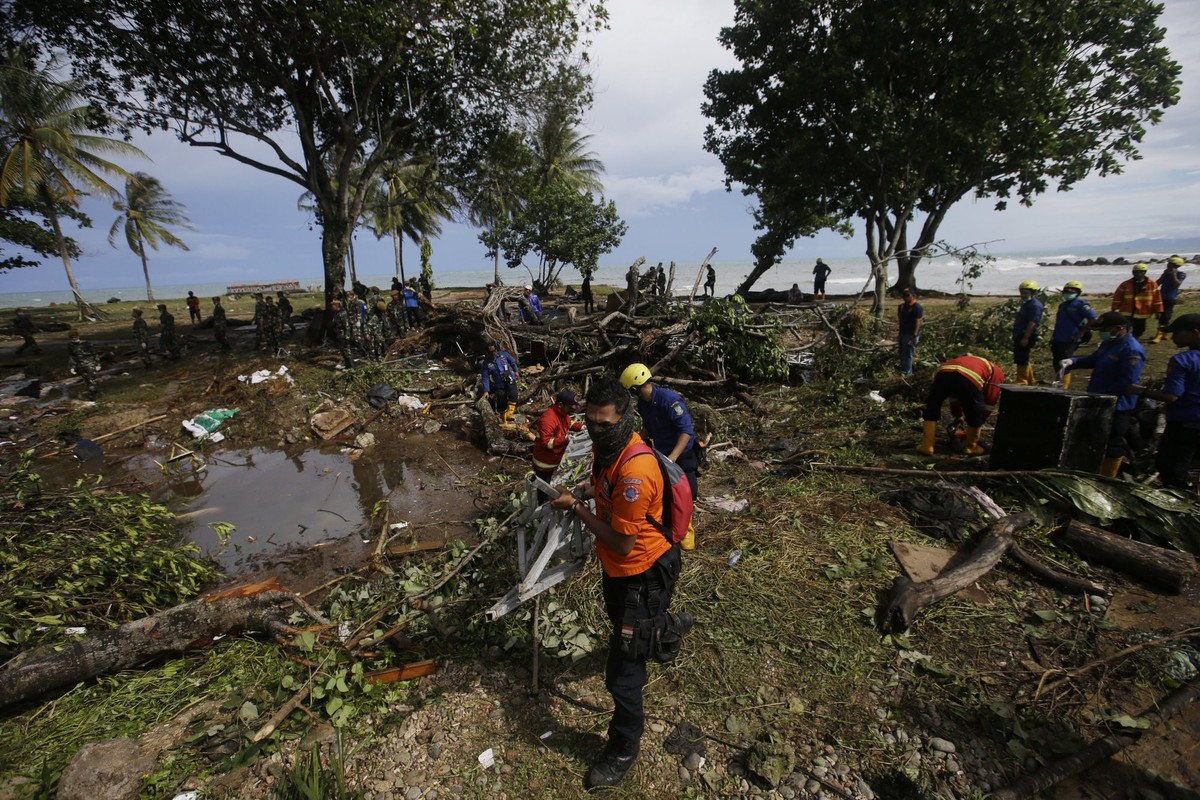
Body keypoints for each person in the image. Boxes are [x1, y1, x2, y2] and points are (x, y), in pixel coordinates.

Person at [547, 377, 692, 790]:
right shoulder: (609, 449)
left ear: (624, 419)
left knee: (622, 673)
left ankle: (624, 746)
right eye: (590, 423)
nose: (596, 430)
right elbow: (603, 485)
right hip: (622, 573)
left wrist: (577, 507)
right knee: (633, 630)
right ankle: (668, 626)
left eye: (604, 424)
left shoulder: (636, 471)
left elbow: (624, 543)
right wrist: (586, 490)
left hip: (641, 574)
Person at [620, 363, 698, 550]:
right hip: (663, 455)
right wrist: (636, 441)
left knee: (687, 494)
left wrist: (672, 459)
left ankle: (686, 535)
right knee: (664, 494)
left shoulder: (669, 400)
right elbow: (648, 427)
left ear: (635, 387)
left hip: (682, 454)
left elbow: (685, 432)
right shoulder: (644, 405)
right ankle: (670, 527)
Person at [1061, 311, 1146, 477]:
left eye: (1106, 329)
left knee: (1113, 441)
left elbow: (1127, 383)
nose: (1103, 332)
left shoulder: (1132, 350)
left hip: (1117, 404)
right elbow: (1094, 359)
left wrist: (1103, 394)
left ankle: (1108, 476)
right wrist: (1073, 361)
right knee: (1093, 437)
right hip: (1099, 400)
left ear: (1119, 329)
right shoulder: (1109, 344)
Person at [1133, 313, 1200, 490]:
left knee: (1171, 467)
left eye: (1177, 333)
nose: (1172, 337)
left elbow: (1172, 396)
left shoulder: (1183, 360)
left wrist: (1142, 391)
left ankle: (1178, 506)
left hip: (1185, 422)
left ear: (1195, 333)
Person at [917, 355, 1006, 456]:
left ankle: (927, 446)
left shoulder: (971, 360)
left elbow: (954, 396)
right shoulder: (998, 372)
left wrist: (958, 416)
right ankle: (971, 447)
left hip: (943, 373)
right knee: (975, 410)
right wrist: (979, 420)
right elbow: (990, 402)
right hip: (968, 378)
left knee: (932, 407)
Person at [531, 389, 585, 499]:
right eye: (570, 407)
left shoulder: (562, 414)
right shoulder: (548, 420)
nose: (572, 410)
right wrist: (564, 440)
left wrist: (581, 427)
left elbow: (569, 422)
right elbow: (547, 443)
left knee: (549, 484)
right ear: (560, 405)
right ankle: (540, 506)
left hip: (554, 459)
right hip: (544, 463)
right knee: (543, 489)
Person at [1049, 281, 1096, 389]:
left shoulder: (1081, 305)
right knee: (1056, 361)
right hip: (1058, 338)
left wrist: (1081, 333)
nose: (1068, 293)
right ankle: (1057, 381)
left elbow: (1093, 318)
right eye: (1066, 291)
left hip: (1070, 338)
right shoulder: (1063, 305)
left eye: (1071, 291)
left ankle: (1064, 385)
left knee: (1064, 362)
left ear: (1078, 293)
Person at [1111, 262, 1163, 340]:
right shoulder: (1125, 284)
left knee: (1140, 329)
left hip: (1143, 312)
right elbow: (1117, 297)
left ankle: (1134, 339)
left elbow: (1157, 298)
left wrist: (1158, 311)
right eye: (1135, 272)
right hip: (1127, 311)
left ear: (1144, 272)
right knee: (1125, 328)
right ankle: (1124, 341)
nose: (1137, 274)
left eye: (1139, 272)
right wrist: (1114, 309)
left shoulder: (1152, 284)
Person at [480, 340, 520, 424]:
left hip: (509, 378)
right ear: (487, 352)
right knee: (501, 400)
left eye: (494, 351)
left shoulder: (504, 355)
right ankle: (504, 420)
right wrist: (486, 391)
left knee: (513, 394)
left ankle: (510, 414)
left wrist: (516, 371)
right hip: (499, 384)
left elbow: (512, 361)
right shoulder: (486, 363)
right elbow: (485, 377)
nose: (493, 354)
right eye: (490, 352)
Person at [1012, 280, 1044, 384]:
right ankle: (1030, 379)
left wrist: (1026, 337)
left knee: (1021, 358)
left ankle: (1022, 380)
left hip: (1026, 335)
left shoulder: (1035, 305)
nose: (1023, 295)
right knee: (1023, 356)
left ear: (1033, 293)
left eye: (1026, 293)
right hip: (1020, 334)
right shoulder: (1027, 304)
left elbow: (1033, 323)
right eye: (1022, 293)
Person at [1151, 256, 1187, 344]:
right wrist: (1164, 275)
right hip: (1160, 297)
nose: (1168, 265)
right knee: (1161, 316)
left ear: (1176, 266)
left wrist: (1174, 274)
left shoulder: (1181, 274)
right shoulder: (1166, 273)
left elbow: (1176, 285)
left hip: (1170, 298)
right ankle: (1164, 334)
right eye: (1168, 263)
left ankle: (1159, 335)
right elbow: (1157, 283)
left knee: (1165, 317)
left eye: (1171, 264)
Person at [66, 328, 101, 399]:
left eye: (75, 337)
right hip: (80, 365)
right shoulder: (70, 345)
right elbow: (72, 357)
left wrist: (98, 364)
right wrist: (72, 367)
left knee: (91, 379)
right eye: (72, 337)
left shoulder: (86, 343)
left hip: (90, 363)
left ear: (78, 336)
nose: (74, 339)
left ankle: (94, 395)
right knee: (87, 380)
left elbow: (94, 353)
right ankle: (94, 393)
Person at [897, 288, 924, 376]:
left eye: (907, 295)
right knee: (901, 352)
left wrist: (914, 335)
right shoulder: (901, 306)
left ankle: (907, 372)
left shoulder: (917, 307)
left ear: (912, 295)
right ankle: (903, 369)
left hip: (911, 334)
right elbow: (900, 317)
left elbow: (918, 322)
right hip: (902, 333)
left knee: (908, 353)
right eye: (904, 295)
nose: (905, 297)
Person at [330, 299, 356, 369]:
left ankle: (352, 367)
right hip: (340, 336)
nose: (332, 307)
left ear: (337, 306)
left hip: (344, 336)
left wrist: (347, 337)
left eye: (333, 306)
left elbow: (347, 326)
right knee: (343, 351)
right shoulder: (337, 314)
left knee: (347, 351)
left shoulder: (343, 314)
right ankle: (347, 366)